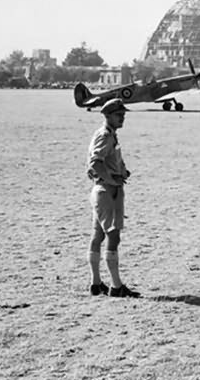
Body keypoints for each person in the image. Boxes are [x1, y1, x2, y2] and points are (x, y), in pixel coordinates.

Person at [86, 98, 141, 298]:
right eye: (119, 115)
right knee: (113, 236)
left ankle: (96, 283)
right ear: (108, 116)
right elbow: (95, 163)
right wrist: (111, 179)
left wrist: (122, 171)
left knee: (98, 236)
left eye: (123, 115)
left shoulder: (107, 135)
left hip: (101, 190)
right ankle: (116, 286)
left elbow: (99, 162)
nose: (122, 118)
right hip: (107, 191)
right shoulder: (106, 136)